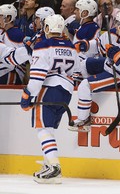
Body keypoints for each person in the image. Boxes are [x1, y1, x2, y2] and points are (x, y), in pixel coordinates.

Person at [20, 14, 79, 184]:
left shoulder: (43, 45)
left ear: (47, 28)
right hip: (66, 92)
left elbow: (38, 76)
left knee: (43, 128)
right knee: (49, 128)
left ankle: (54, 167)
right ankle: (48, 164)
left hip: (48, 89)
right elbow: (77, 72)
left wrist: (28, 96)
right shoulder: (71, 46)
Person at [68, 11, 120, 132]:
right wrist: (86, 45)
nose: (115, 25)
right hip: (108, 66)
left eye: (119, 23)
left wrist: (119, 58)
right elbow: (98, 44)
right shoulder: (112, 34)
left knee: (85, 86)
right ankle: (86, 96)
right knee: (83, 64)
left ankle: (83, 120)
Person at [0, 4, 26, 85]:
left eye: (0, 16)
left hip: (12, 74)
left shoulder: (14, 34)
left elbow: (14, 62)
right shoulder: (4, 32)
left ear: (8, 18)